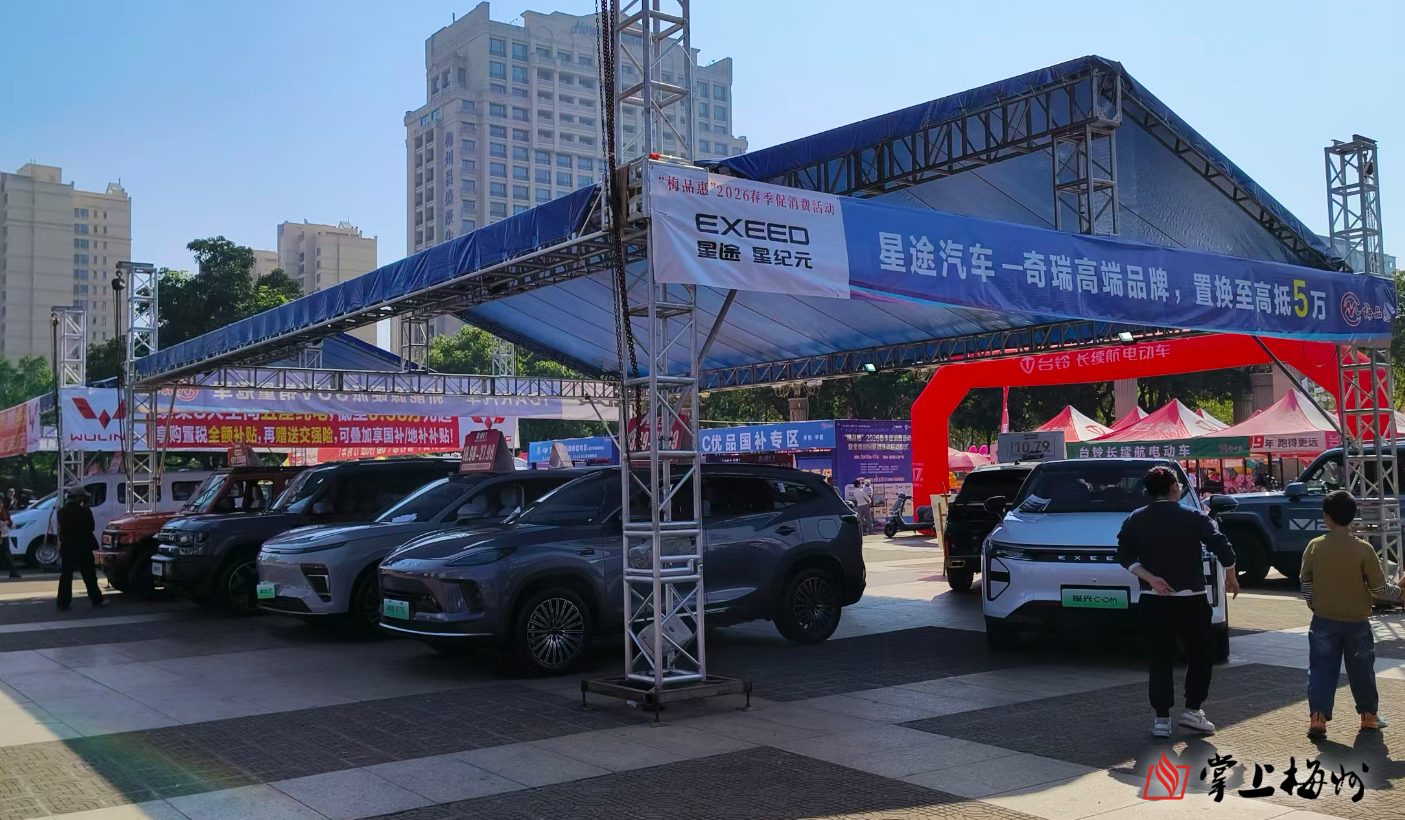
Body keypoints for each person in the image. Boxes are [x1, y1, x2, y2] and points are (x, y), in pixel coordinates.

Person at [1117, 466, 1238, 738]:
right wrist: (1230, 574)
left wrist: (1151, 579)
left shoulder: (1136, 518)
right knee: (1200, 655)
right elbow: (1222, 546)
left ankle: (1161, 719)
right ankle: (1193, 711)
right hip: (1192, 599)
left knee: (1160, 659)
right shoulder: (1193, 515)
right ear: (1174, 488)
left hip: (1153, 600)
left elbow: (1124, 555)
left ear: (1149, 492)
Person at [1301, 490, 1402, 737]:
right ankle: (1368, 716)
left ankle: (1318, 718)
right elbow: (1378, 589)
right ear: (1353, 516)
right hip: (1357, 621)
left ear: (1326, 517)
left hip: (1323, 619)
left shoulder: (1315, 546)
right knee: (1362, 671)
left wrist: (1313, 603)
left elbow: (1306, 582)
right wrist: (1399, 592)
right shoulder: (1364, 549)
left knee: (1321, 670)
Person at [56, 490, 105, 610]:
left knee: (66, 575)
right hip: (83, 546)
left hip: (67, 546)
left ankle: (63, 602)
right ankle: (96, 598)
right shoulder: (85, 511)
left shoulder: (61, 512)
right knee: (89, 574)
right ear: (78, 497)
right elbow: (91, 527)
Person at [0, 497, 18, 579]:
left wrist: (8, 522)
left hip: (4, 535)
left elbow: (10, 522)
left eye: (1, 503)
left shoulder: (5, 512)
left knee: (7, 554)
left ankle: (13, 572)